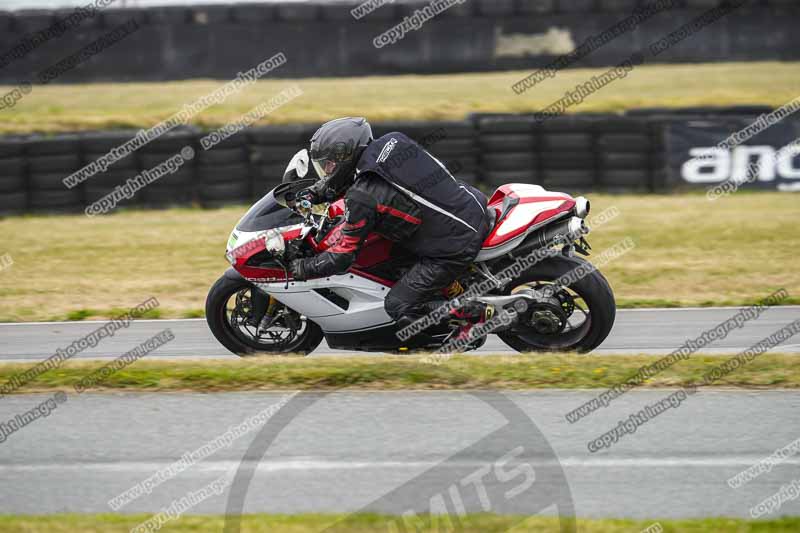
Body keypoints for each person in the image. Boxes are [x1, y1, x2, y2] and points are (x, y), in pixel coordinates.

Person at [289, 117, 492, 343]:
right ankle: (453, 291)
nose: (327, 170)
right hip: (469, 205)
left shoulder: (363, 197)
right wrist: (314, 193)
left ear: (347, 155)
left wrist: (302, 268)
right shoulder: (392, 142)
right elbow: (360, 179)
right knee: (390, 265)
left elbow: (342, 258)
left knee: (398, 305)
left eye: (329, 164)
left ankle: (475, 314)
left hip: (455, 242)